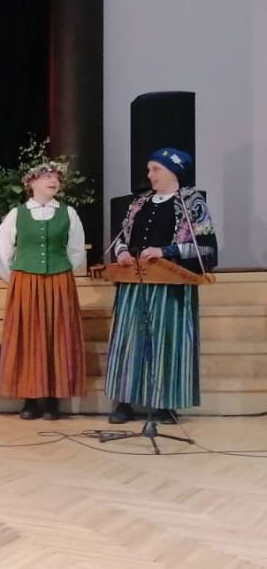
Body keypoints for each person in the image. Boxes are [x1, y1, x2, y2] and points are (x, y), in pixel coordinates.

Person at [105, 148, 218, 424]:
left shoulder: (192, 203)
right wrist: (122, 252)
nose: (149, 175)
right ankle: (124, 402)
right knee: (128, 341)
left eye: (155, 169)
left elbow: (206, 249)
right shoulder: (139, 203)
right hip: (135, 284)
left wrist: (165, 251)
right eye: (149, 169)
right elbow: (121, 237)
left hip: (171, 287)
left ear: (172, 171)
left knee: (167, 342)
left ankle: (165, 405)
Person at [0, 162, 87, 420]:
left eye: (56, 177)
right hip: (26, 282)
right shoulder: (17, 214)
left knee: (57, 337)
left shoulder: (68, 213)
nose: (53, 180)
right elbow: (2, 251)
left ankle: (53, 399)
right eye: (47, 176)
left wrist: (61, 269)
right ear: (31, 183)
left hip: (59, 281)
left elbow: (76, 250)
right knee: (28, 337)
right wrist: (17, 277)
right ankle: (30, 398)